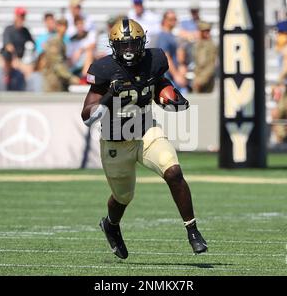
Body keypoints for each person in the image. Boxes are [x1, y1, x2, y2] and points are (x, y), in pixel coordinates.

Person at [81, 18, 207, 259]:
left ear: (142, 43)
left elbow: (159, 82)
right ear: (113, 46)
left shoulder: (154, 59)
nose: (128, 51)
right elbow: (87, 117)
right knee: (123, 197)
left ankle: (192, 231)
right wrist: (109, 94)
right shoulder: (104, 69)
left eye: (133, 44)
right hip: (115, 141)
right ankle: (111, 225)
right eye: (123, 45)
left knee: (173, 171)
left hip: (146, 130)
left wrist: (170, 96)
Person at [43, 18, 80, 92]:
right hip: (54, 81)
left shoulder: (61, 41)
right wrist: (70, 77)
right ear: (57, 27)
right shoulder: (55, 42)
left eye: (65, 26)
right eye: (61, 25)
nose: (64, 28)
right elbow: (57, 64)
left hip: (60, 80)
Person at [157, 10, 188, 92]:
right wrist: (176, 75)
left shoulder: (172, 35)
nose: (174, 21)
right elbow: (166, 57)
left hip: (175, 75)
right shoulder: (163, 36)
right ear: (164, 20)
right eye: (171, 19)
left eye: (175, 19)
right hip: (169, 78)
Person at [192, 21, 217, 93]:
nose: (206, 33)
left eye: (208, 30)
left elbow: (211, 65)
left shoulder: (210, 45)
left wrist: (201, 80)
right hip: (198, 76)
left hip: (205, 79)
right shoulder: (198, 43)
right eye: (204, 31)